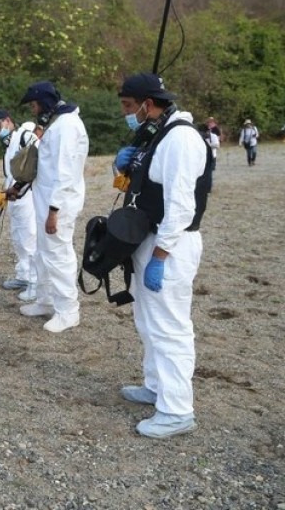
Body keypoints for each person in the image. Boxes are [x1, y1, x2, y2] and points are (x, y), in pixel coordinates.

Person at [113, 72, 210, 439]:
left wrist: (162, 253)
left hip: (170, 244)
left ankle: (177, 410)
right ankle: (156, 385)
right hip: (148, 237)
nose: (126, 113)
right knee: (148, 319)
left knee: (170, 327)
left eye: (127, 107)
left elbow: (182, 205)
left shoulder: (181, 139)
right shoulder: (157, 134)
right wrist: (121, 165)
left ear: (147, 105)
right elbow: (141, 179)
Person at [17, 82, 89, 333]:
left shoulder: (67, 126)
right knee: (43, 253)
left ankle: (68, 311)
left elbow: (65, 172)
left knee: (58, 255)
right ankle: (46, 300)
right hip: (45, 201)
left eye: (35, 105)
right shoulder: (57, 124)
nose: (34, 110)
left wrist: (54, 211)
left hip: (58, 204)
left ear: (45, 103)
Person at [0, 109, 39, 299]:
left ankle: (35, 283)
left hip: (27, 197)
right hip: (14, 199)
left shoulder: (26, 136)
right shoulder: (9, 145)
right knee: (18, 239)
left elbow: (35, 163)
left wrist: (17, 187)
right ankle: (24, 275)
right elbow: (10, 174)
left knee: (29, 239)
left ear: (8, 121)